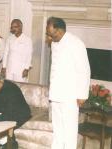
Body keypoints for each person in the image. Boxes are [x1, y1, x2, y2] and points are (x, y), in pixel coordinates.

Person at [46, 17, 90, 149]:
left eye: (50, 33)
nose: (48, 37)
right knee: (58, 129)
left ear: (59, 30)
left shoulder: (76, 43)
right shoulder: (55, 43)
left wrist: (82, 94)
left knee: (69, 130)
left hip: (70, 94)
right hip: (56, 94)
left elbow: (84, 70)